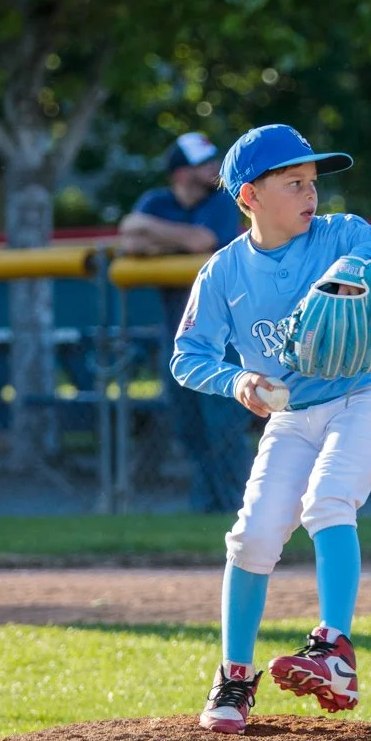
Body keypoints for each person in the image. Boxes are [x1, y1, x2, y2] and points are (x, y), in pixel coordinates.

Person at [172, 123, 371, 735]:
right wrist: (238, 381)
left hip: (365, 398)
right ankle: (234, 677)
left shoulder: (341, 234)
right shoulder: (223, 272)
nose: (310, 193)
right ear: (249, 196)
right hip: (292, 417)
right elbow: (188, 356)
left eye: (312, 181)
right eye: (293, 183)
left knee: (328, 501)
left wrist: (370, 256)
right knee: (252, 538)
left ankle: (334, 651)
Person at [119, 132, 252, 513]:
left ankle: (234, 505)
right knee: (187, 424)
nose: (214, 168)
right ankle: (206, 505)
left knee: (223, 423)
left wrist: (156, 237)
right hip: (177, 331)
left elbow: (201, 239)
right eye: (203, 164)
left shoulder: (222, 201)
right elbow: (129, 240)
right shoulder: (156, 201)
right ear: (180, 173)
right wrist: (179, 239)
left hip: (225, 333)